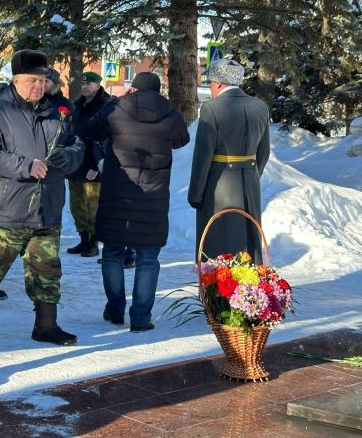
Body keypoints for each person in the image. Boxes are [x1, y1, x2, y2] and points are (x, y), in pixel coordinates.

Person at [0, 49, 84, 345]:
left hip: (47, 208)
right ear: (14, 80)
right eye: (32, 80)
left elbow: (78, 144)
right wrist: (25, 166)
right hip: (8, 210)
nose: (38, 86)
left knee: (47, 271)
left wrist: (70, 157)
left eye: (42, 80)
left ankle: (46, 325)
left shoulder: (58, 111)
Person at [83, 72, 189, 330]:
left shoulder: (116, 110)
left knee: (112, 253)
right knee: (148, 258)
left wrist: (112, 104)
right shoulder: (171, 115)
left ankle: (115, 310)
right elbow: (181, 140)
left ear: (133, 88)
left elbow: (89, 129)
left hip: (116, 195)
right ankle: (141, 318)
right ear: (158, 89)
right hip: (153, 197)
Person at [188, 58, 270, 263]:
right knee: (249, 240)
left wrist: (196, 194)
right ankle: (248, 291)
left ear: (218, 84)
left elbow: (203, 154)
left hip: (219, 183)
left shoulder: (211, 108)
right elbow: (264, 151)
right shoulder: (260, 106)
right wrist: (251, 173)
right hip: (250, 182)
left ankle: (218, 291)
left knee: (218, 242)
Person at [66, 71, 110, 258]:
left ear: (98, 85)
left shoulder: (105, 106)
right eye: (83, 84)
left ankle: (93, 242)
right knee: (77, 206)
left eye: (89, 84)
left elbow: (104, 139)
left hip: (93, 164)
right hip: (76, 163)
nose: (85, 87)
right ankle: (83, 239)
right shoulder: (77, 106)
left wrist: (96, 166)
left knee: (93, 206)